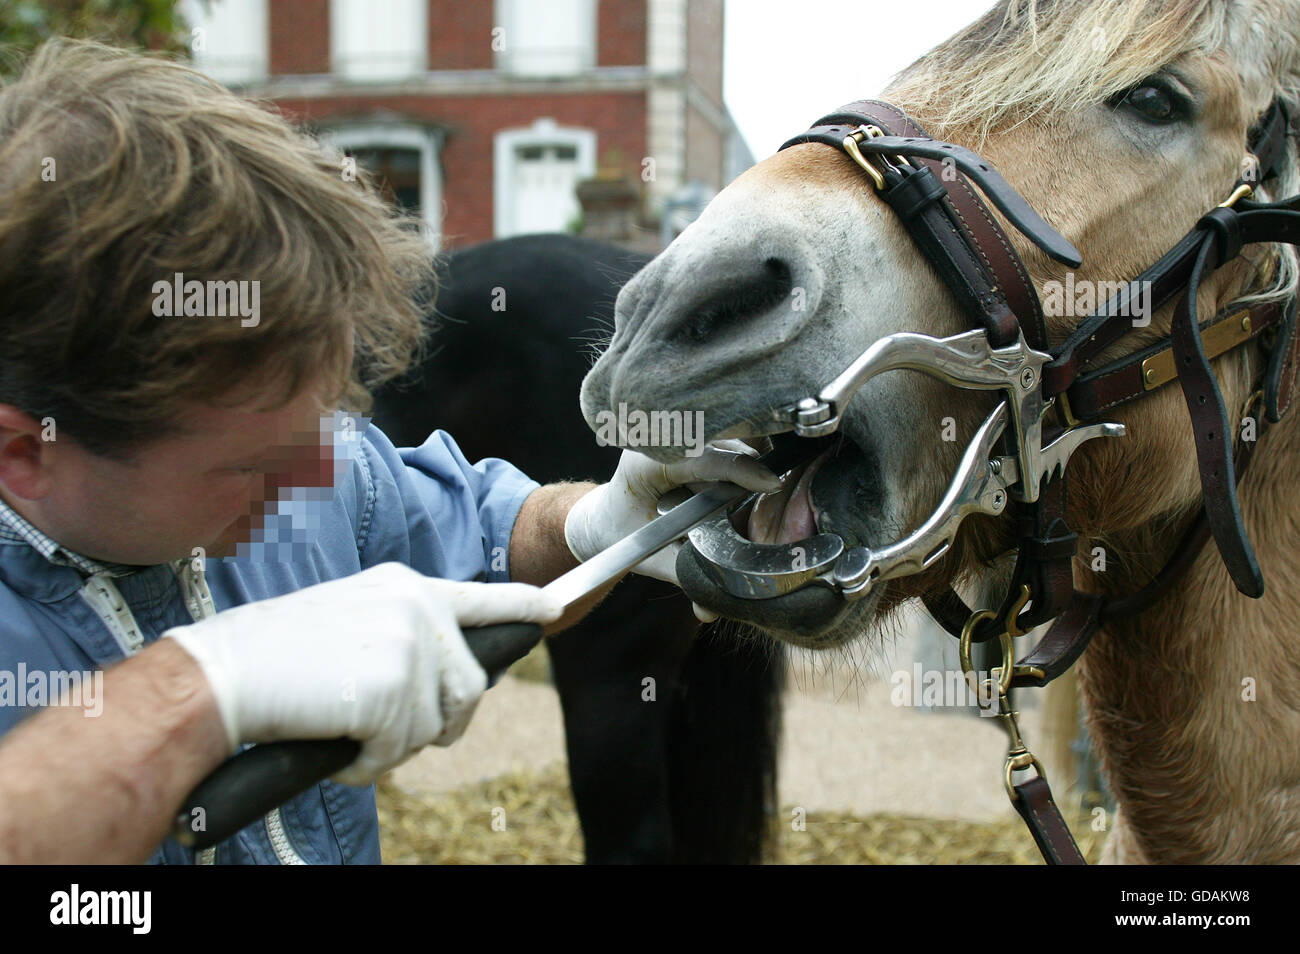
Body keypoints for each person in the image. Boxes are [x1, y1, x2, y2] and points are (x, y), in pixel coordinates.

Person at [0, 39, 780, 864]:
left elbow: (485, 530)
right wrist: (195, 692)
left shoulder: (323, 470)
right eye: (248, 469)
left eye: (316, 432)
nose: (304, 485)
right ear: (27, 454)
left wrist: (593, 522)